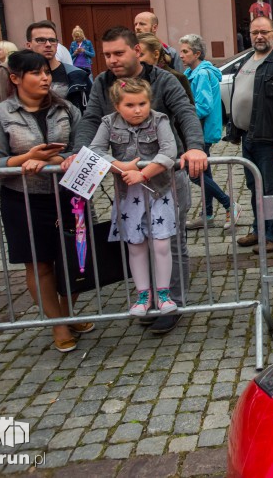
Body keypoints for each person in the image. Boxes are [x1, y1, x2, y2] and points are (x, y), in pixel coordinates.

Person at [69, 26, 208, 334]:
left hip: (166, 178)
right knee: (138, 243)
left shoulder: (164, 79)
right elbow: (91, 119)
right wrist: (76, 153)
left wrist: (196, 146)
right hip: (127, 184)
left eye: (119, 53)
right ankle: (148, 300)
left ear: (136, 50)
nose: (112, 60)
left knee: (171, 242)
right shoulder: (102, 84)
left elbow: (186, 114)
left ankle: (173, 302)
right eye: (106, 55)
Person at [0, 51, 85, 352]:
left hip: (68, 195)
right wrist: (25, 158)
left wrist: (55, 158)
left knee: (75, 261)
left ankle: (67, 313)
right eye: (36, 73)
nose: (45, 78)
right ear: (15, 78)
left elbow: (82, 148)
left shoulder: (65, 109)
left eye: (46, 73)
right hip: (23, 199)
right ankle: (58, 325)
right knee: (40, 264)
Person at [89, 78, 179, 317]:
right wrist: (119, 167)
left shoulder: (159, 120)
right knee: (136, 245)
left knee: (161, 243)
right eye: (130, 105)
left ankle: (163, 294)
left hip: (158, 189)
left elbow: (169, 150)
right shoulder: (108, 123)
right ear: (117, 106)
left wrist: (143, 173)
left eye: (142, 103)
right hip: (127, 194)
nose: (138, 109)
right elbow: (95, 151)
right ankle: (143, 294)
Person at [228, 16, 273, 254]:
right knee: (253, 187)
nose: (259, 36)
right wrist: (235, 130)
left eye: (264, 32)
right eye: (255, 32)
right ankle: (258, 229)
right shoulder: (248, 59)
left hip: (269, 141)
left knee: (270, 189)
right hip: (248, 137)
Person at [179, 34, 235, 230]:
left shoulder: (202, 74)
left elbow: (203, 106)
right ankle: (208, 214)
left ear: (197, 53)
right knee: (205, 174)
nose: (181, 55)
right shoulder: (190, 73)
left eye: (185, 51)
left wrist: (182, 114)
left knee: (195, 175)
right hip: (197, 131)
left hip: (200, 132)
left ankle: (229, 204)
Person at [0, 21, 92, 110]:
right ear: (28, 45)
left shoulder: (77, 75)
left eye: (52, 40)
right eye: (41, 40)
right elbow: (4, 111)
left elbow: (88, 114)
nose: (48, 44)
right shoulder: (13, 72)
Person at [137, 33, 192, 102]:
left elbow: (187, 110)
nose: (137, 59)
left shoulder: (177, 77)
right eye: (135, 55)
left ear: (156, 54)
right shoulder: (133, 78)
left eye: (141, 55)